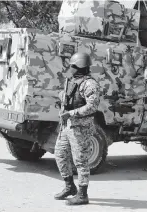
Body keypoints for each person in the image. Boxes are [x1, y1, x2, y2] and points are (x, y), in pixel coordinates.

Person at [54, 52, 100, 205]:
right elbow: (67, 99)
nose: (71, 68)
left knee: (80, 161)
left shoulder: (90, 84)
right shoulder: (71, 81)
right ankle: (69, 187)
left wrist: (71, 113)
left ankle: (82, 194)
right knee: (60, 154)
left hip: (81, 127)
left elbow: (92, 106)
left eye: (73, 66)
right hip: (67, 126)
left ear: (80, 66)